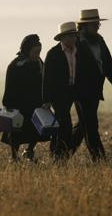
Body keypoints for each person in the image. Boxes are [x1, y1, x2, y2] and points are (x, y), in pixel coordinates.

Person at [73, 9, 112, 162]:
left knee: (83, 126)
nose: (98, 27)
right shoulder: (75, 42)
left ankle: (61, 155)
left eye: (98, 24)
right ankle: (100, 160)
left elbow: (108, 64)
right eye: (95, 24)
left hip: (95, 91)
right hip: (81, 91)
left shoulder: (99, 40)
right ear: (84, 25)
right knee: (90, 124)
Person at [1, 34, 47, 162]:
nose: (38, 54)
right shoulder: (15, 65)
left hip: (35, 103)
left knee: (36, 129)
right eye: (35, 51)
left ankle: (30, 151)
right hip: (19, 105)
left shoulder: (39, 63)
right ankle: (14, 156)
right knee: (16, 131)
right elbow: (9, 86)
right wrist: (8, 104)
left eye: (39, 51)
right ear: (27, 50)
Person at [42, 22, 83, 161]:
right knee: (65, 124)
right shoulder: (53, 54)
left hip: (76, 91)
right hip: (58, 95)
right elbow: (46, 79)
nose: (73, 39)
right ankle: (59, 156)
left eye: (74, 36)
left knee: (76, 124)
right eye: (70, 36)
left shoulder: (80, 51)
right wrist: (46, 100)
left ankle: (60, 153)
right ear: (62, 38)